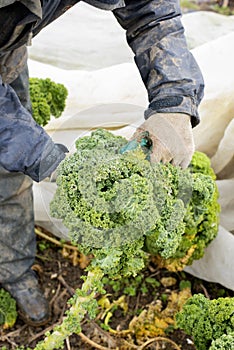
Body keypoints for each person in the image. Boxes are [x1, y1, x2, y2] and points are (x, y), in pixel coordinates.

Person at [0, 0, 204, 326]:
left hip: (5, 51)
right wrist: (51, 161)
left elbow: (150, 9)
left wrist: (174, 100)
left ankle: (14, 270)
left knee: (9, 172)